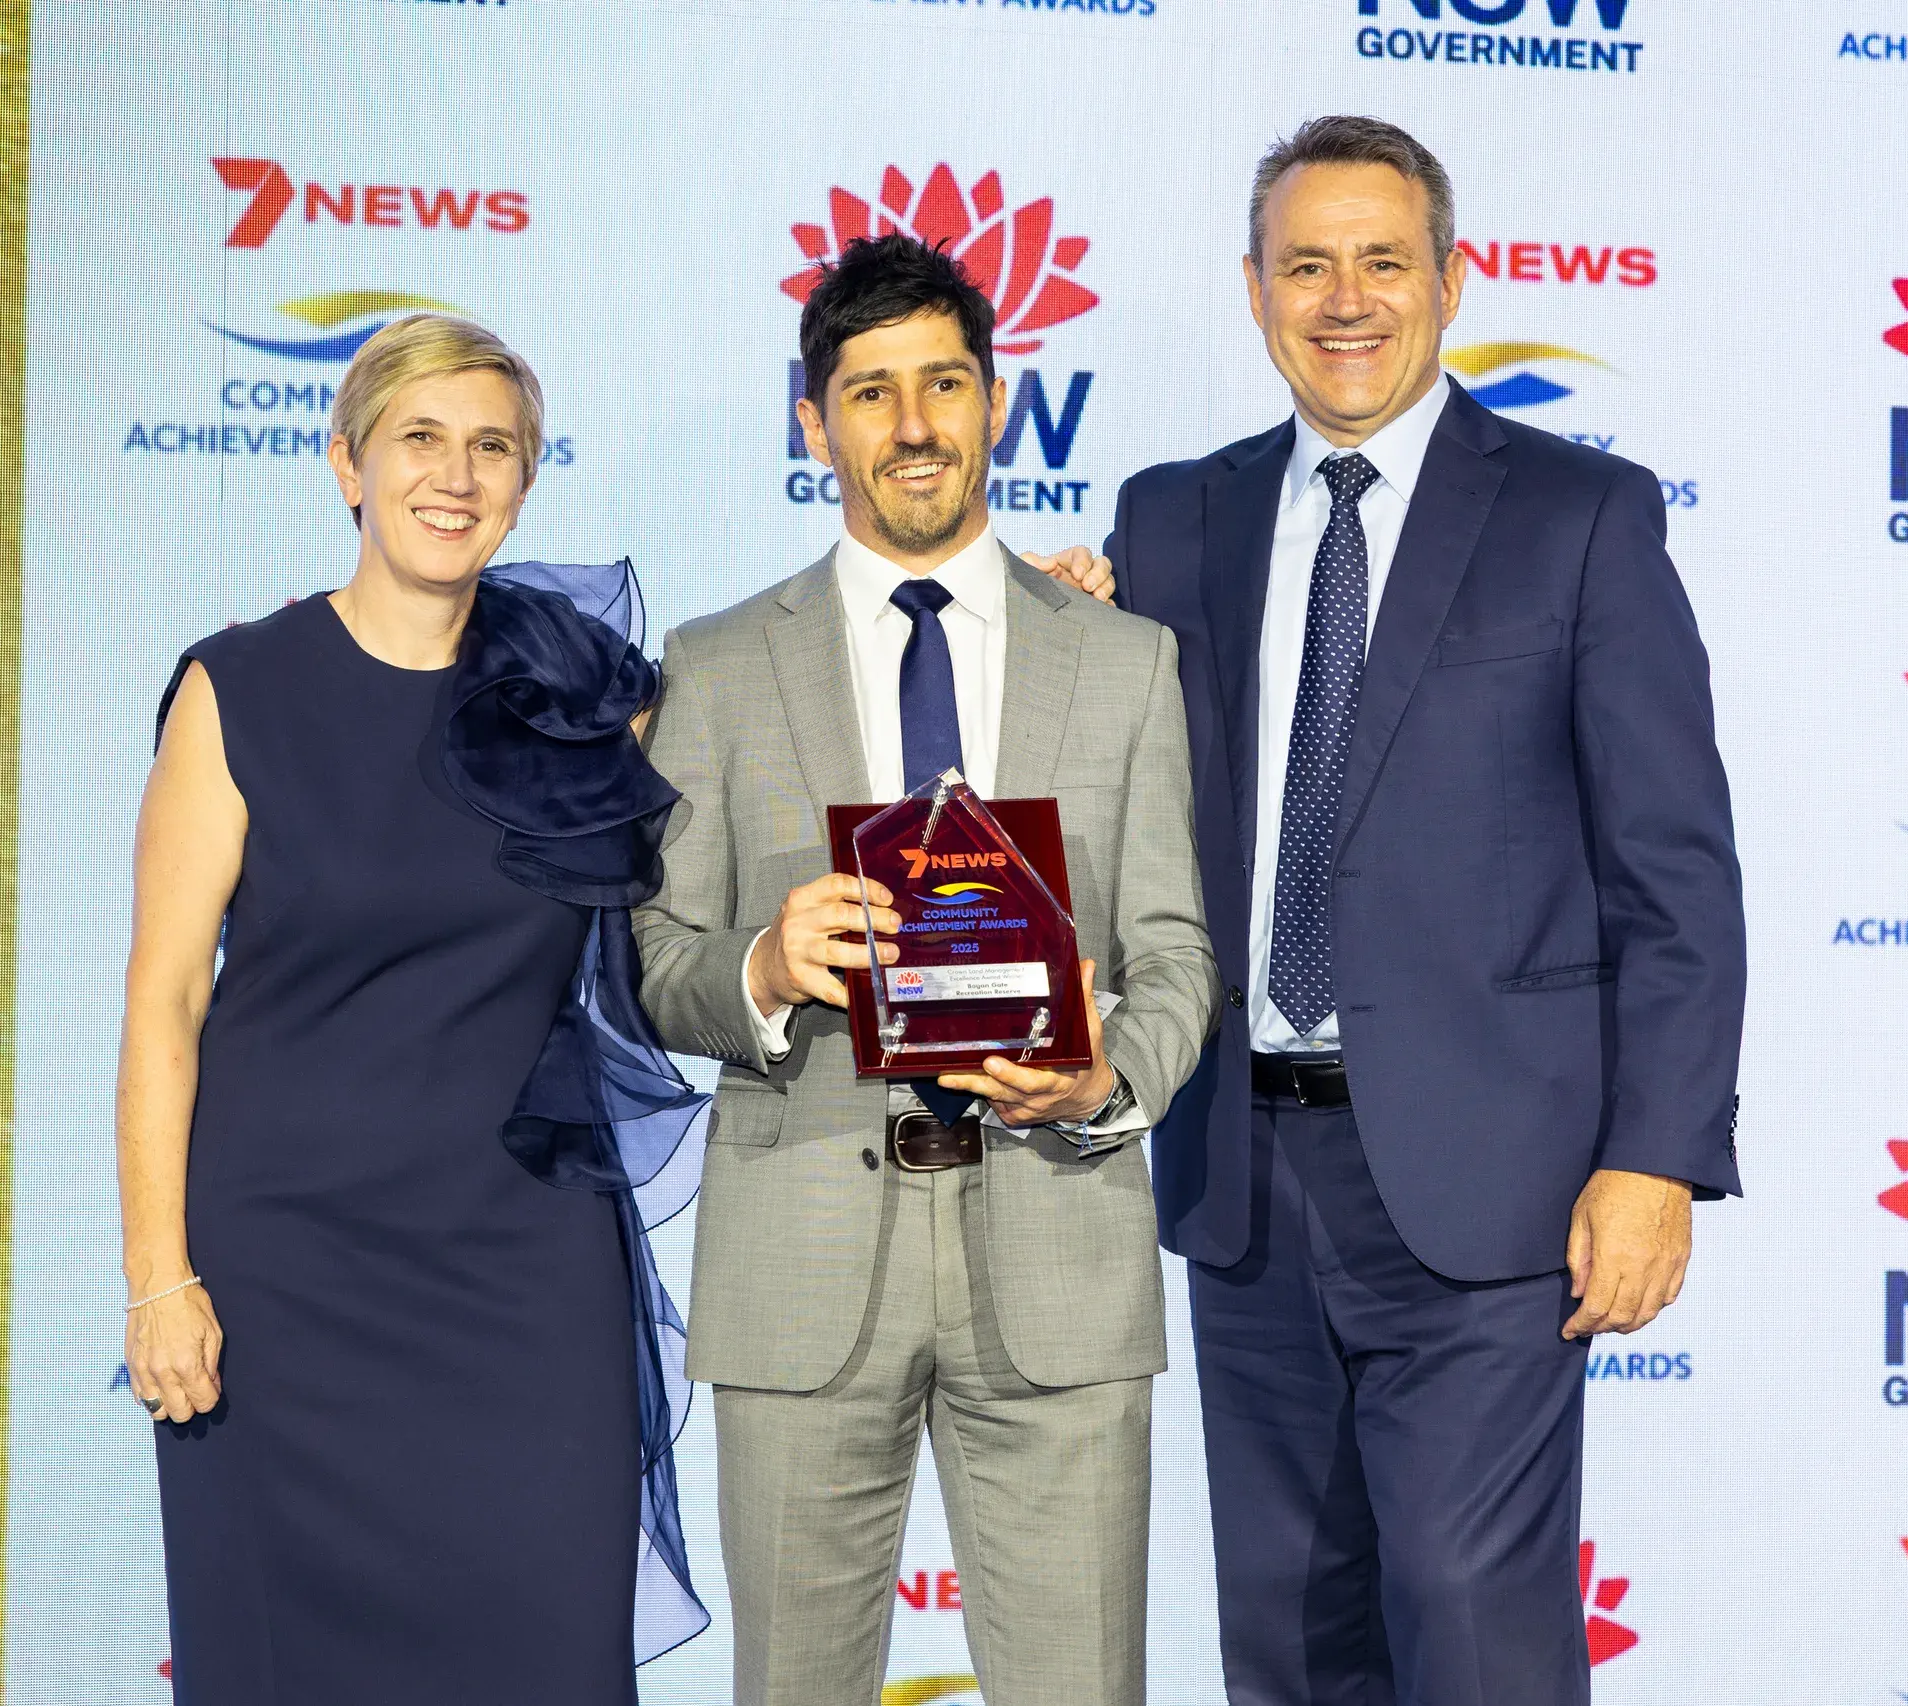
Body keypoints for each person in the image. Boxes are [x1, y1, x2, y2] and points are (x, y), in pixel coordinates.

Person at [1082, 115, 1747, 1703]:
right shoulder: (1169, 522)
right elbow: (1109, 809)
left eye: (1385, 261)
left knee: (1470, 1623)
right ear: (1253, 292)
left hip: (1494, 1190)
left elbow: (1678, 869)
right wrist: (1045, 653)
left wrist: (1655, 1156)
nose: (1346, 298)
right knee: (1294, 1640)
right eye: (1306, 264)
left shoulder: (1583, 515)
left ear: (1456, 281)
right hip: (1243, 1177)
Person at [632, 233, 1219, 1706]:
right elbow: (652, 962)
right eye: (872, 390)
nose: (913, 425)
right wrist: (765, 965)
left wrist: (1109, 1076)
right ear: (811, 421)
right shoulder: (710, 666)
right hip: (800, 1254)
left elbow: (1173, 953)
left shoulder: (1124, 657)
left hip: (1061, 1241)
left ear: (997, 402)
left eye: (944, 382)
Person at [115, 313, 707, 1704]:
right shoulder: (238, 689)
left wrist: (1026, 602)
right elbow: (160, 1003)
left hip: (525, 1283)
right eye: (421, 439)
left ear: (525, 478)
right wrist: (158, 1271)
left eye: (492, 445)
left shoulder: (587, 697)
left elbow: (799, 734)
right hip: (283, 1284)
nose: (457, 474)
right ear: (347, 466)